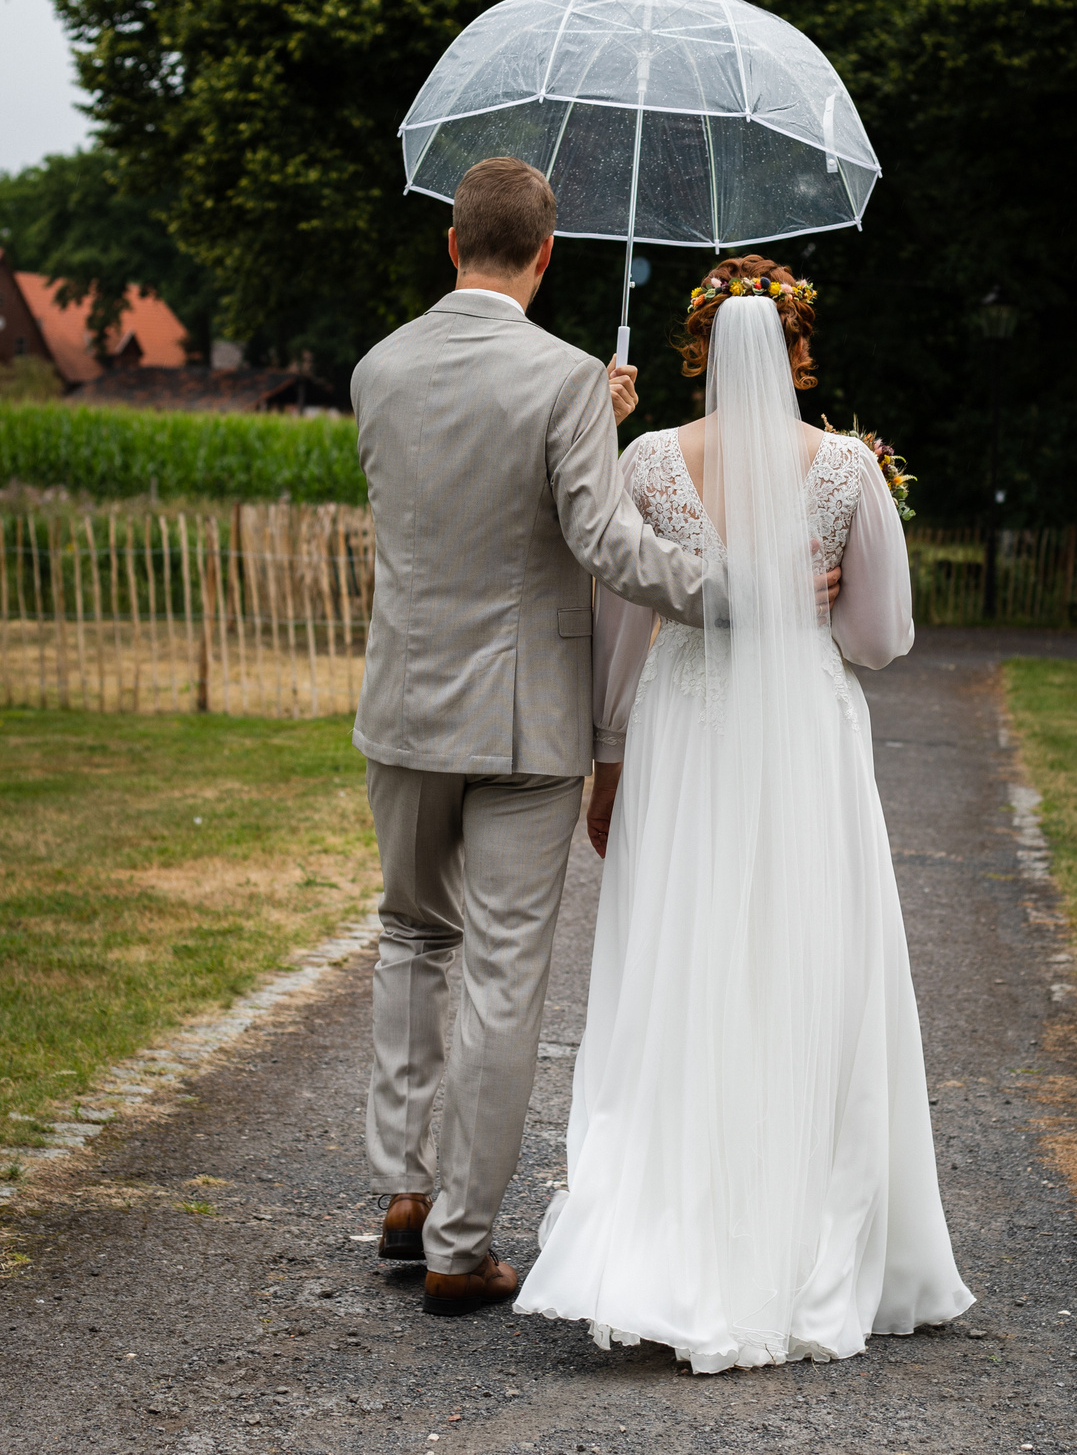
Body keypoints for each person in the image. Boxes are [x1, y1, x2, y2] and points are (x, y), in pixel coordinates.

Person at [350, 161, 832, 1316]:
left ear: (450, 245)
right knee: (505, 977)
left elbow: (453, 503)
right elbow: (608, 548)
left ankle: (403, 1191)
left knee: (413, 939)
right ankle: (463, 1246)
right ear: (549, 254)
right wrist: (745, 589)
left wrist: (590, 421)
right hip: (524, 723)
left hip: (405, 708)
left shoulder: (378, 369)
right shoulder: (563, 378)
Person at [515, 259, 974, 1370]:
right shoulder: (848, 470)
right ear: (801, 349)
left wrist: (609, 761)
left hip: (687, 726)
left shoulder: (649, 460)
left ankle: (671, 1231)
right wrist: (798, 598)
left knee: (684, 956)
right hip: (807, 733)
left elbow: (622, 633)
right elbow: (880, 640)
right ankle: (811, 1233)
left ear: (698, 349)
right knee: (809, 959)